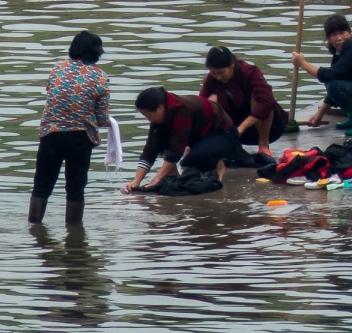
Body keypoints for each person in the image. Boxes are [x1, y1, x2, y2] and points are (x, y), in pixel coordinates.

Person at [28, 30, 109, 224]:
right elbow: (101, 118)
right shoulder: (100, 78)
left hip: (50, 135)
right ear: (96, 52)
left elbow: (54, 97)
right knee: (75, 188)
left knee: (41, 186)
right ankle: (74, 236)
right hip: (80, 139)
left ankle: (34, 228)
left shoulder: (57, 70)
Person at [121, 87, 238, 193]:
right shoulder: (160, 115)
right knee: (161, 141)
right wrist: (136, 181)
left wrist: (157, 178)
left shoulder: (180, 110)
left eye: (150, 116)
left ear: (160, 107)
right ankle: (172, 174)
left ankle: (219, 165)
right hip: (200, 136)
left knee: (191, 161)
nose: (149, 120)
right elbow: (150, 150)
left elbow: (176, 151)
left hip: (225, 134)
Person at [291, 14, 352, 136]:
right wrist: (320, 113)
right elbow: (337, 77)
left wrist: (303, 63)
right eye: (334, 35)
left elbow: (329, 76)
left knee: (333, 85)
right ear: (329, 39)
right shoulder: (340, 51)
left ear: (349, 32)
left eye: (342, 33)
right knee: (333, 84)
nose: (339, 38)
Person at [200, 46, 288, 156]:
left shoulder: (250, 72)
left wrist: (241, 128)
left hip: (269, 129)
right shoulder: (211, 79)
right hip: (234, 128)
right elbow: (199, 108)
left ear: (232, 64)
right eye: (214, 73)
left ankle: (263, 145)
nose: (218, 77)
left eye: (221, 73)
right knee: (211, 101)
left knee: (259, 98)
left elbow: (267, 102)